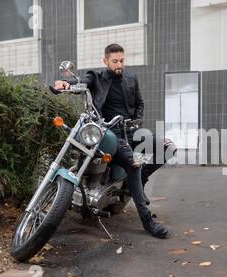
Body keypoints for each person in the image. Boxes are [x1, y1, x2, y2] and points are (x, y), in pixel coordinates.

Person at [54, 43, 176, 239]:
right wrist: (65, 84)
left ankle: (141, 180)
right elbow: (81, 83)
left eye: (122, 60)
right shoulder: (97, 77)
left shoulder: (131, 78)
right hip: (109, 132)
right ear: (105, 61)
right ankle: (147, 221)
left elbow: (140, 103)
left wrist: (137, 121)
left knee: (168, 147)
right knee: (132, 163)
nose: (119, 65)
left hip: (130, 130)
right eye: (115, 61)